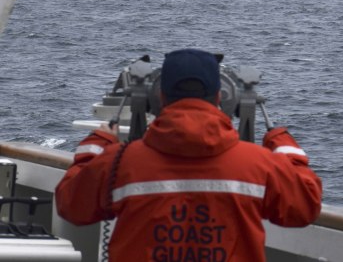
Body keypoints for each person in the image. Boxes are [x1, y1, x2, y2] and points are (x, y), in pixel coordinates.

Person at [55, 48, 323, 262]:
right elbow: (304, 208)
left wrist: (98, 143)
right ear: (220, 96)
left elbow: (72, 205)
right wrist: (282, 143)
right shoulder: (258, 165)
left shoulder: (119, 162)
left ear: (158, 97)